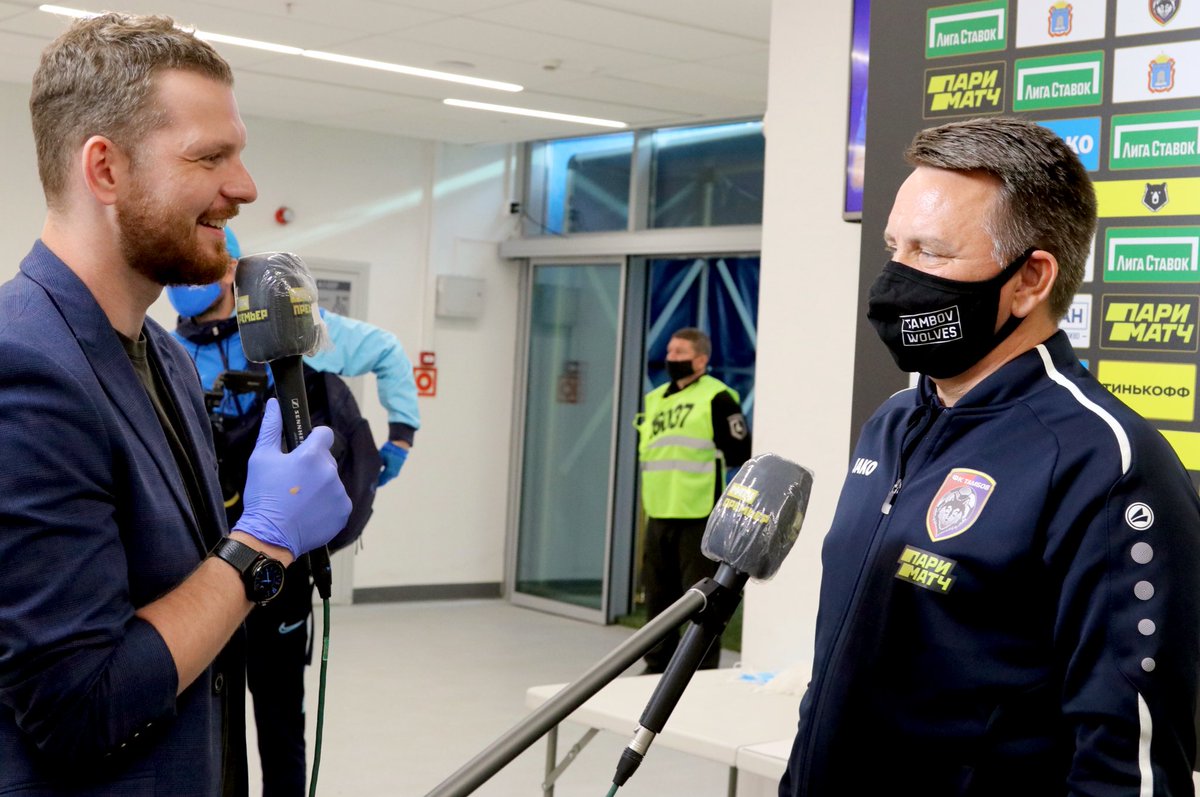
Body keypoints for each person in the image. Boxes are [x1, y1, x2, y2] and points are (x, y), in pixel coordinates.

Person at [780, 117, 1200, 795]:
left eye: (931, 252)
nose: (896, 277)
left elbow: (1125, 764)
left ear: (1030, 279)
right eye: (894, 247)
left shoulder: (1105, 463)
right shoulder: (892, 423)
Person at [0, 13, 351, 796]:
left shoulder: (165, 358)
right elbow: (79, 705)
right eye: (209, 156)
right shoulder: (22, 367)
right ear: (105, 170)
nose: (245, 187)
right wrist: (262, 544)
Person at [167, 227, 420, 797]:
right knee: (205, 721)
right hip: (205, 564)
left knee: (280, 718)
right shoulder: (171, 352)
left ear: (230, 269)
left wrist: (401, 435)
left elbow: (385, 350)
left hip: (286, 563)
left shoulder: (293, 332)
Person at [636, 327, 751, 673]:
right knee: (658, 598)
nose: (671, 358)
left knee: (701, 600)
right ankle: (656, 664)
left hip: (699, 513)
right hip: (659, 511)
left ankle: (699, 669)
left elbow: (739, 451)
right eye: (669, 351)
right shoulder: (655, 400)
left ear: (701, 360)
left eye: (680, 353)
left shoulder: (718, 398)